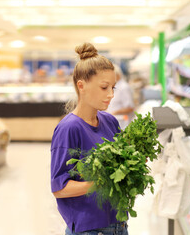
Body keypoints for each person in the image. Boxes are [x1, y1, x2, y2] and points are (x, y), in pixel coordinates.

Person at [50, 42, 128, 235]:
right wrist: (101, 183)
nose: (110, 95)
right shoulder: (69, 128)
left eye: (113, 88)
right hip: (90, 229)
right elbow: (60, 187)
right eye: (104, 87)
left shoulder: (110, 121)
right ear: (81, 86)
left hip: (118, 224)